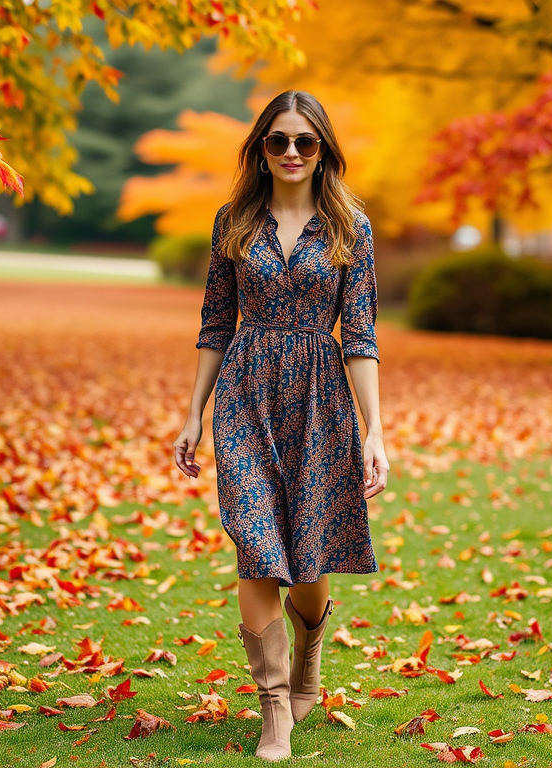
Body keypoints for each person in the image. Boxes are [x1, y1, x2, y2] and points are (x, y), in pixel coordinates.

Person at [172, 90, 389, 761]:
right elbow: (215, 322)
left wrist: (375, 431)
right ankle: (274, 711)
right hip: (245, 393)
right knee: (256, 541)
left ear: (323, 150)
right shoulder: (233, 221)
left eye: (305, 142)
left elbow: (360, 334)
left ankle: (310, 654)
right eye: (278, 141)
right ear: (260, 150)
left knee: (310, 548)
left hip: (321, 400)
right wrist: (193, 414)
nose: (292, 153)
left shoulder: (352, 226)